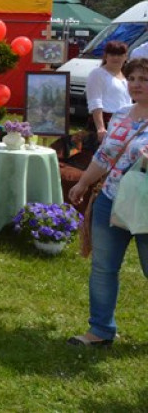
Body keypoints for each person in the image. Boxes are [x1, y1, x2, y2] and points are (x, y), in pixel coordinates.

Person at [68, 56, 148, 347]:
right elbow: (104, 157)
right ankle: (100, 331)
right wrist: (83, 183)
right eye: (134, 79)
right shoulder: (123, 113)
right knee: (103, 268)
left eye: (144, 79)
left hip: (145, 208)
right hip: (110, 200)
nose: (137, 84)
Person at [85, 41, 131, 153]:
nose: (116, 58)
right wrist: (100, 128)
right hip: (105, 124)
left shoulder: (127, 76)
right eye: (112, 54)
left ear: (125, 56)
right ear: (106, 56)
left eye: (120, 55)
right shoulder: (97, 74)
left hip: (124, 124)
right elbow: (95, 101)